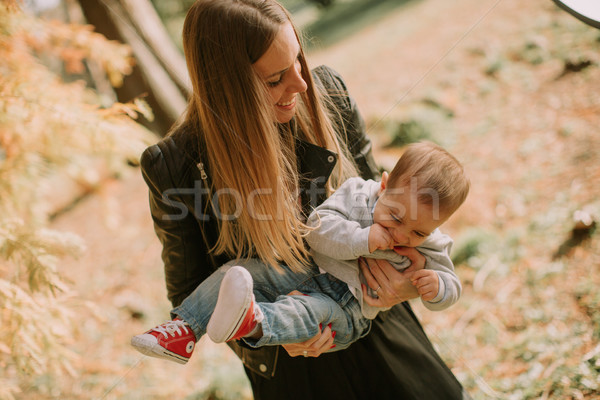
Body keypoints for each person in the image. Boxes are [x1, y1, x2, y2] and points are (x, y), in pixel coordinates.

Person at [134, 0, 471, 398]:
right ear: (227, 89)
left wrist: (409, 284)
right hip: (292, 373)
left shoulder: (329, 93)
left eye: (299, 61)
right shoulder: (175, 165)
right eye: (275, 79)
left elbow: (388, 199)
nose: (301, 85)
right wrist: (269, 334)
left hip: (377, 327)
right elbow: (190, 289)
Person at [132, 141, 469, 359]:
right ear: (382, 185)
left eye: (418, 231)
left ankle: (252, 321)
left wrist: (438, 289)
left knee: (308, 312)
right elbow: (317, 230)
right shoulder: (355, 194)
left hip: (346, 306)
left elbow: (451, 281)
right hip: (306, 267)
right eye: (395, 217)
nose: (402, 235)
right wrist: (363, 239)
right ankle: (184, 330)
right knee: (242, 270)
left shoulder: (433, 242)